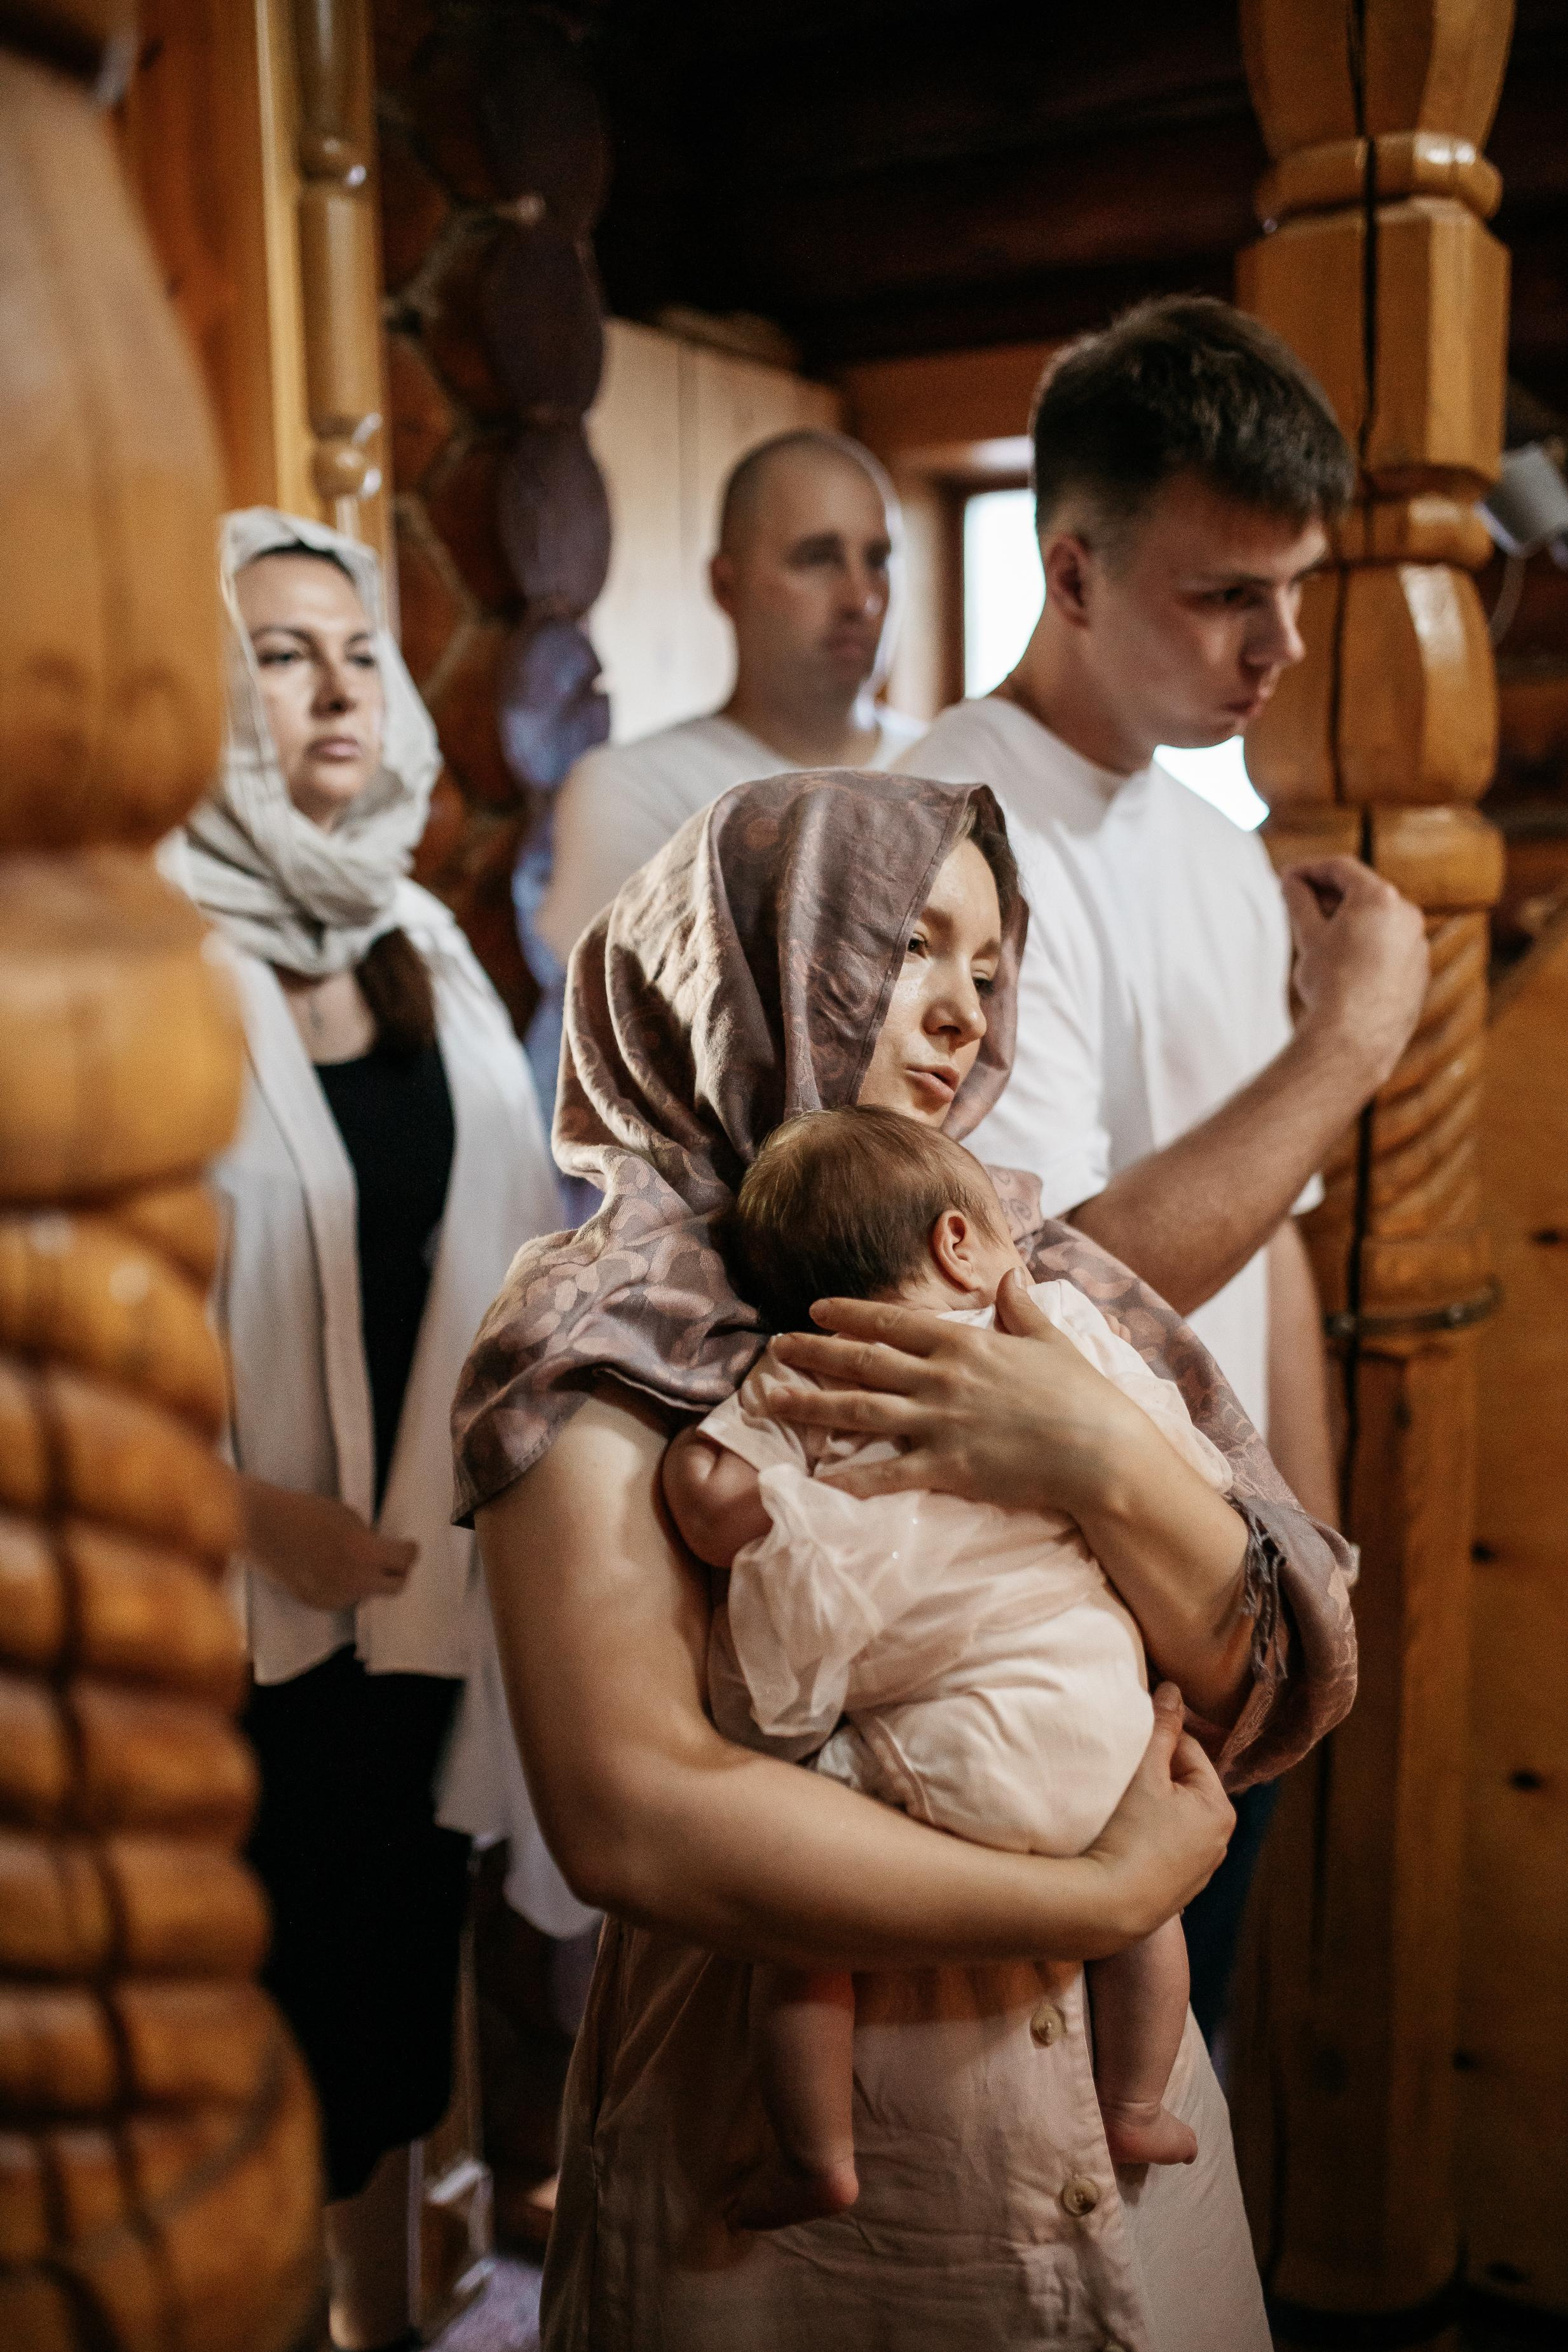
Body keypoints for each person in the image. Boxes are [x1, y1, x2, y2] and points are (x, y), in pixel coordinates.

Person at [454, 765, 1359, 2350]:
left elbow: (1252, 1658)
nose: (961, 1011)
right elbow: (633, 1815)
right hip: (815, 2159)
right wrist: (1096, 1888)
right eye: (910, 946)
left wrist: (1084, 1446)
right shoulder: (597, 1332)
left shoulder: (1038, 1278)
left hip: (1115, 2125)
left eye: (989, 971)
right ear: (751, 954)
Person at [911, 296, 1431, 2033]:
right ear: (1067, 575)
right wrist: (1350, 1045)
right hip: (1051, 1612)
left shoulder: (1217, 850)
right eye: (1226, 594)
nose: (1275, 647)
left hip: (1230, 1608)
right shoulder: (943, 833)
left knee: (1182, 2096)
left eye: (1292, 588)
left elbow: (1268, 1241)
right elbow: (1036, 1284)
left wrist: (1308, 1560)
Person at [167, 509, 589, 2352]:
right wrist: (266, 1518)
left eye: (354, 648)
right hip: (217, 1634)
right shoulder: (129, 958)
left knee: (379, 2036)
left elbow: (511, 1246)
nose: (334, 683)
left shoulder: (421, 932)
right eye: (276, 650)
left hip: (421, 1614)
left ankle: (373, 2327)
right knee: (227, 2058)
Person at [665, 1105, 1238, 2229]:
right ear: (959, 1243)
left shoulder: (810, 1369)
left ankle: (816, 2155)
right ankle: (1132, 2104)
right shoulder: (1055, 1327)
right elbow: (1191, 1479)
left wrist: (774, 1470)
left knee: (801, 1941)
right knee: (1149, 1912)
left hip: (923, 1746)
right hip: (1100, 1732)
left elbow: (714, 1512)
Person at [520, 430, 923, 1182]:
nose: (861, 599)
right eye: (816, 558)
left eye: (878, 559)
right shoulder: (632, 789)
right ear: (724, 584)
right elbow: (628, 1080)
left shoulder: (946, 772)